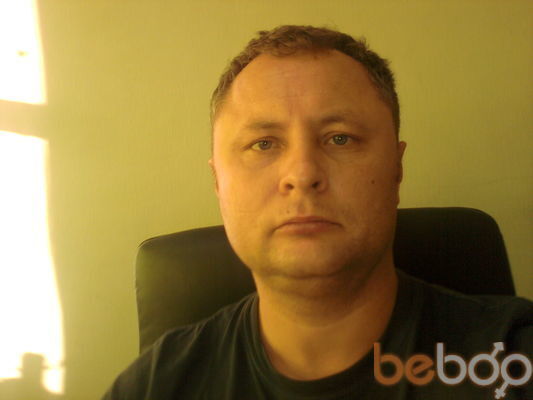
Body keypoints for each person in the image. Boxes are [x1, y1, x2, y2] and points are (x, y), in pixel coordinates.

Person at [102, 25, 532, 399]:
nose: (302, 174)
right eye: (263, 144)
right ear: (218, 182)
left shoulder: (512, 359)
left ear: (397, 168)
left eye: (340, 138)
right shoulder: (153, 386)